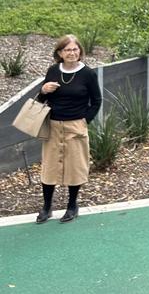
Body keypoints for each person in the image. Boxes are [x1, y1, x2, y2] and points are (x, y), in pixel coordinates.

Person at [35, 34, 102, 223]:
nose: (72, 53)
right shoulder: (53, 71)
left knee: (75, 167)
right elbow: (42, 100)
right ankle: (47, 208)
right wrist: (42, 91)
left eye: (75, 49)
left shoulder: (88, 74)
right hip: (53, 125)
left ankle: (72, 206)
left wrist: (84, 120)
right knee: (49, 167)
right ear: (60, 53)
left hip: (76, 125)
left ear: (80, 51)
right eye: (67, 50)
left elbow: (96, 101)